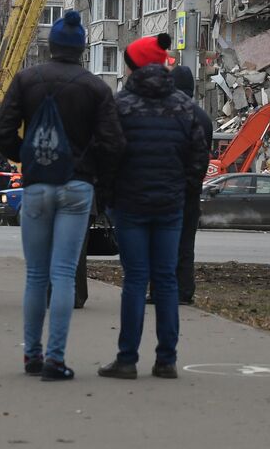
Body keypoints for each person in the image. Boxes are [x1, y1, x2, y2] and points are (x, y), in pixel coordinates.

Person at [0, 10, 123, 382]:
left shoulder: (26, 80)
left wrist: (25, 155)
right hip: (78, 187)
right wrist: (91, 170)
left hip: (36, 185)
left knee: (36, 274)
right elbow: (114, 143)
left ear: (51, 47)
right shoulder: (96, 88)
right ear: (82, 47)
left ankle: (31, 355)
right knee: (64, 273)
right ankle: (55, 359)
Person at [97, 34, 199, 381]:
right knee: (167, 280)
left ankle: (127, 359)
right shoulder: (183, 107)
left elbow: (106, 155)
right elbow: (198, 159)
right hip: (170, 206)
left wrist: (109, 197)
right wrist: (180, 191)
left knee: (136, 280)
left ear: (135, 66)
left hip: (130, 205)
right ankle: (166, 360)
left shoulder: (120, 105)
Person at [171, 66, 212, 306]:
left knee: (163, 242)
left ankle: (159, 290)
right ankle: (185, 291)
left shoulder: (166, 112)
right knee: (186, 243)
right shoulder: (203, 117)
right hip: (191, 191)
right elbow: (204, 155)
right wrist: (193, 182)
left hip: (168, 188)